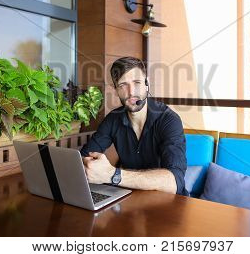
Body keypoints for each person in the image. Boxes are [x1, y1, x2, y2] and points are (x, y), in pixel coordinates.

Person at [80, 57, 188, 196]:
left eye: (137, 82)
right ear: (116, 90)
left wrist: (113, 175)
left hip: (168, 204)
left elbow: (174, 182)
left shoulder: (169, 120)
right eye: (123, 85)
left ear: (146, 83)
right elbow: (84, 158)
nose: (131, 92)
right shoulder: (113, 119)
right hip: (131, 201)